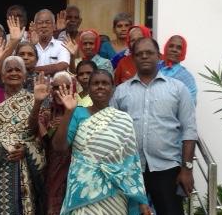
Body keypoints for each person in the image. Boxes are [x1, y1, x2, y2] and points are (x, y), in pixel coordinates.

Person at [111, 37, 198, 215]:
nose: (144, 57)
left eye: (149, 53)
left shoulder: (178, 88)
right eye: (139, 54)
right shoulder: (121, 91)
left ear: (159, 56)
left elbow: (189, 130)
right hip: (130, 170)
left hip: (167, 170)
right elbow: (112, 130)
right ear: (133, 58)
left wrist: (187, 169)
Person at [52, 70, 151, 215]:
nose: (100, 87)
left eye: (105, 83)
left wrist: (141, 201)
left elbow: (132, 163)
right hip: (84, 189)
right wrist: (68, 112)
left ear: (113, 89)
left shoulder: (123, 119)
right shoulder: (77, 113)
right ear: (89, 88)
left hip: (115, 192)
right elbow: (59, 147)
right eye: (95, 83)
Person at [0, 36, 44, 215]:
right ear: (2, 76)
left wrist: (25, 149)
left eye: (18, 70)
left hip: (21, 159)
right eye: (9, 70)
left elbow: (35, 132)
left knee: (22, 203)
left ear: (25, 75)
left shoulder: (32, 97)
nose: (13, 73)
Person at [33, 71, 75, 215]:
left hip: (74, 169)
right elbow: (41, 137)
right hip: (51, 169)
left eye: (65, 87)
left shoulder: (79, 111)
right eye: (56, 87)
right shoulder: (45, 112)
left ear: (72, 88)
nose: (60, 91)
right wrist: (52, 129)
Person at [160, 35, 197, 105]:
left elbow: (189, 107)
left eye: (179, 48)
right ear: (165, 48)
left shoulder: (187, 78)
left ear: (183, 52)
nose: (174, 50)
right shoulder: (153, 67)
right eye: (171, 46)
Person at [31, 9, 70, 75]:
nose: (44, 26)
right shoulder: (28, 46)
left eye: (47, 22)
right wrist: (31, 45)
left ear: (54, 26)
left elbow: (62, 66)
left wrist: (31, 70)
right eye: (40, 23)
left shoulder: (62, 45)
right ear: (35, 26)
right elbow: (22, 67)